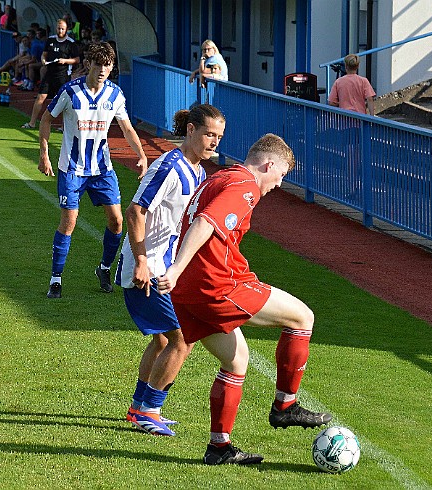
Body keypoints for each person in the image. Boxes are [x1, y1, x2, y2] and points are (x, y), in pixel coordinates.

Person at [158, 134, 332, 465]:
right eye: (280, 176)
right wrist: (177, 268)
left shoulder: (222, 175)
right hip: (217, 284)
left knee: (237, 361)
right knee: (302, 317)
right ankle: (286, 405)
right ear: (268, 165)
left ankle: (218, 448)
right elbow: (205, 223)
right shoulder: (245, 186)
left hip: (190, 293)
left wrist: (180, 272)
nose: (278, 185)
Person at [118, 104, 224, 436]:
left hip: (164, 267)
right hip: (145, 267)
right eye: (209, 134)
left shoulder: (199, 173)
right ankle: (150, 410)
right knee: (183, 338)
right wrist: (141, 261)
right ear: (190, 130)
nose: (213, 142)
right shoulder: (168, 167)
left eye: (218, 137)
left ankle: (138, 408)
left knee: (164, 339)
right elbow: (135, 212)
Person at [38, 41, 148, 299]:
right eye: (98, 64)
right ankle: (56, 278)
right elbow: (46, 118)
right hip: (72, 169)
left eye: (107, 65)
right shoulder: (70, 92)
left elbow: (127, 128)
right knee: (69, 222)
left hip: (102, 170)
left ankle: (104, 269)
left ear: (111, 68)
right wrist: (44, 153)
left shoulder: (115, 95)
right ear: (89, 64)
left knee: (118, 221)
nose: (102, 69)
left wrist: (142, 155)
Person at [22, 18, 80, 129]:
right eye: (59, 28)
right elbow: (44, 54)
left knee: (64, 101)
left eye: (63, 29)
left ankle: (64, 127)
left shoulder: (70, 43)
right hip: (49, 73)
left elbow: (77, 60)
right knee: (40, 97)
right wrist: (43, 60)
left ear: (66, 29)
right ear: (56, 28)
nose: (60, 31)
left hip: (63, 75)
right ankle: (32, 122)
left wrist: (65, 61)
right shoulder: (51, 40)